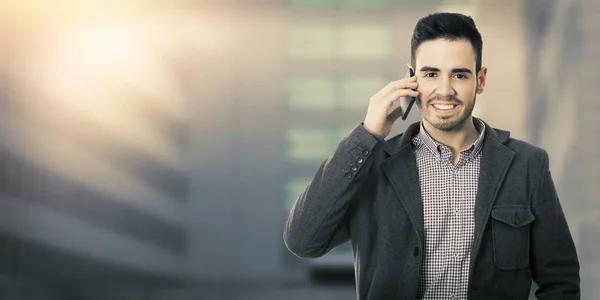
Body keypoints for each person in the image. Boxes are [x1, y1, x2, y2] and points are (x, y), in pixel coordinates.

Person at [283, 12, 580, 300]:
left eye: (459, 75)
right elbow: (302, 240)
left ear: (481, 79)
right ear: (412, 79)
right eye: (431, 74)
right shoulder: (373, 166)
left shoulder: (527, 165)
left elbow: (560, 280)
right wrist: (367, 135)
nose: (445, 90)